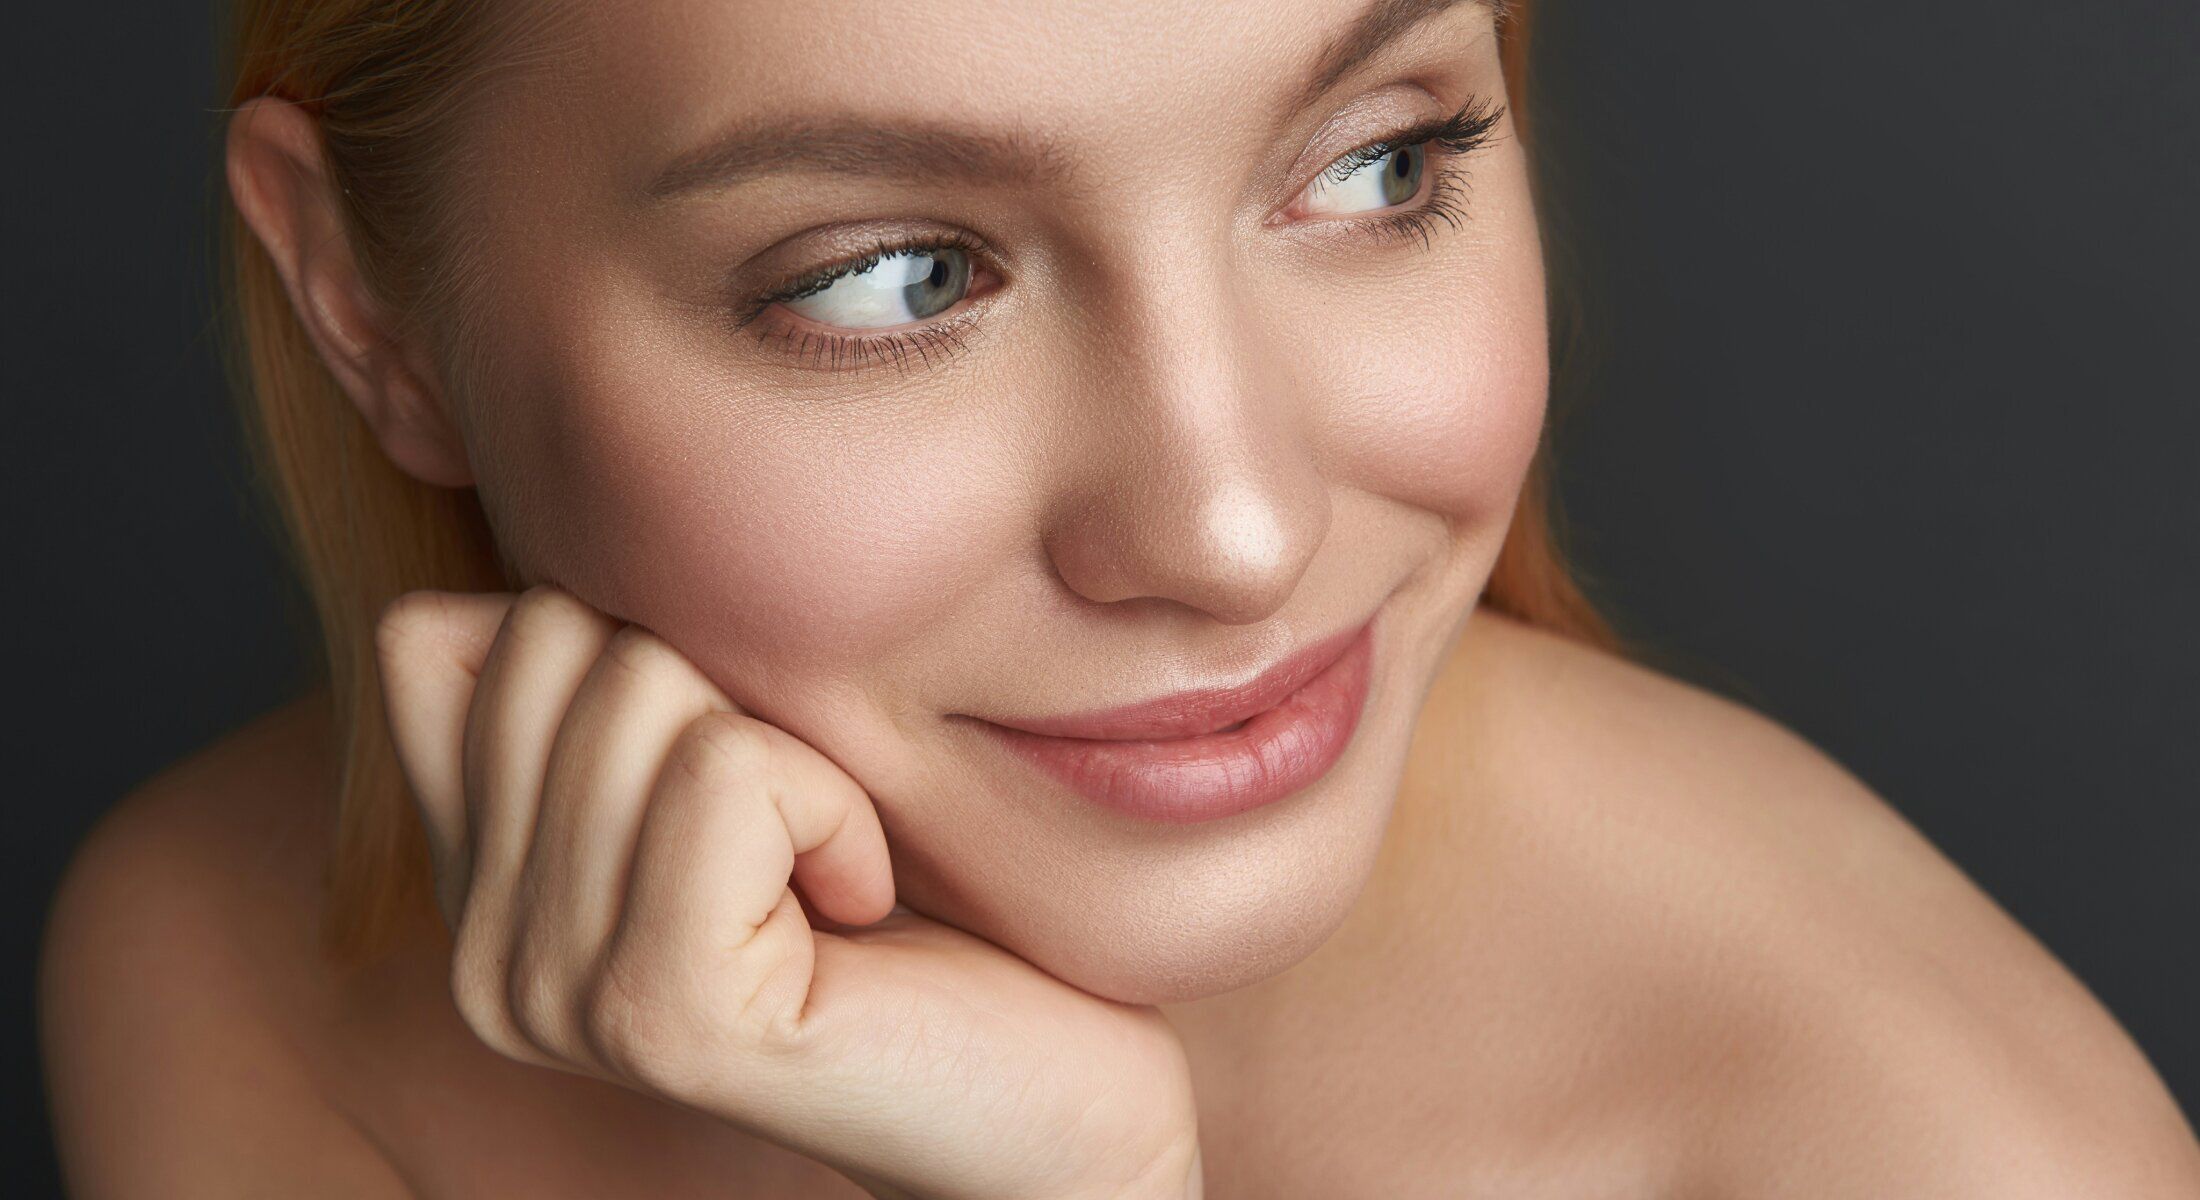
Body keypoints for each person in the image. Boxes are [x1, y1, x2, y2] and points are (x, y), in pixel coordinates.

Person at [37, 0, 2200, 1195]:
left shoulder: (1920, 1155)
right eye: (894, 278)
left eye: (1377, 162)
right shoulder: (228, 960)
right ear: (363, 303)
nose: (1234, 529)